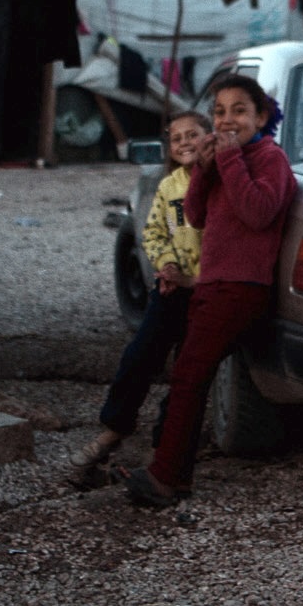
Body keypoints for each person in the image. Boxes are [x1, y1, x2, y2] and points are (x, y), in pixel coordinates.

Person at [125, 74, 295, 509]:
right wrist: (202, 169)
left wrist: (232, 161)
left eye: (239, 110)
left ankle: (166, 477)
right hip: (214, 284)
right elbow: (197, 217)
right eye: (219, 111)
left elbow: (258, 212)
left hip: (240, 287)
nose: (227, 119)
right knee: (189, 374)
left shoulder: (270, 158)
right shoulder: (223, 160)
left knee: (189, 375)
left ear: (260, 116)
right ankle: (173, 475)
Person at [67, 112, 210, 486]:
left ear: (209, 139)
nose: (183, 143)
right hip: (170, 288)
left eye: (192, 135)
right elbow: (154, 233)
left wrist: (194, 278)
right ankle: (115, 428)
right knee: (139, 355)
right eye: (176, 138)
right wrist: (165, 267)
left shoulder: (219, 184)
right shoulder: (168, 186)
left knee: (186, 374)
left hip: (207, 292)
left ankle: (166, 447)